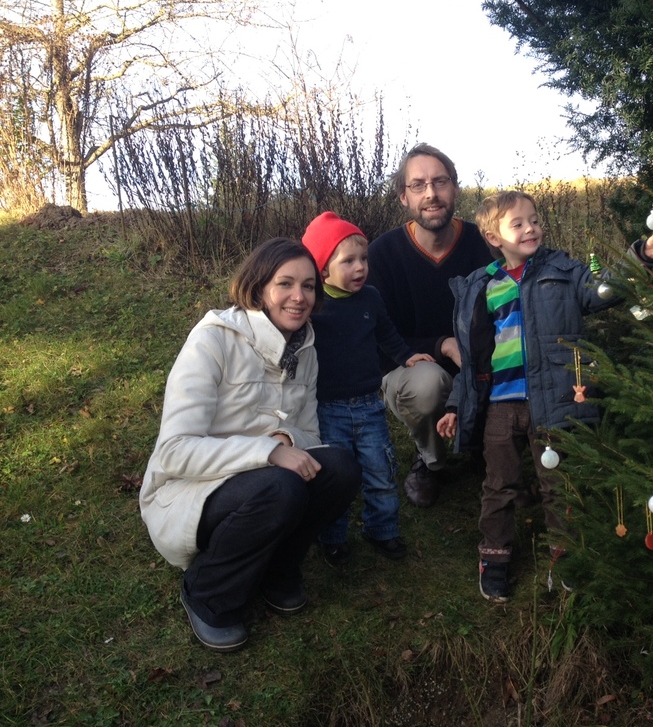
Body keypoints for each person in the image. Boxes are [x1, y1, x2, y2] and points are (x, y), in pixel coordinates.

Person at [436, 191, 653, 602]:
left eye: (535, 220)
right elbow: (473, 357)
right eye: (518, 224)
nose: (530, 228)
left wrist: (643, 256)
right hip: (500, 407)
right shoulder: (482, 287)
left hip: (558, 401)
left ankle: (566, 555)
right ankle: (494, 558)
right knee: (499, 485)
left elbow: (602, 290)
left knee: (559, 483)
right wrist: (457, 403)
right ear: (494, 236)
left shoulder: (563, 271)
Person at [139, 237, 362, 652]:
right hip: (189, 491)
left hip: (264, 486)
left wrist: (286, 440)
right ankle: (208, 595)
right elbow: (174, 450)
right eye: (285, 284)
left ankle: (277, 570)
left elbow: (309, 434)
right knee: (282, 485)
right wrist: (268, 451)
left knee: (341, 469)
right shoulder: (214, 339)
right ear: (259, 288)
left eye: (309, 286)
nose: (299, 297)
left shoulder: (306, 349)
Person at [301, 211, 434, 566]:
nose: (360, 267)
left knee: (380, 470)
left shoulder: (371, 299)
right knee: (335, 477)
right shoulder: (313, 307)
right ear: (322, 267)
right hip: (326, 409)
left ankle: (382, 528)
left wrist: (407, 356)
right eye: (348, 261)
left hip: (368, 406)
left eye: (363, 259)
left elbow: (387, 333)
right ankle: (332, 536)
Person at [368, 143, 494, 507]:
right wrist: (442, 345)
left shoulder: (484, 245)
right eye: (418, 185)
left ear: (455, 188)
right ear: (403, 196)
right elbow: (379, 337)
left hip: (481, 359)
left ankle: (490, 448)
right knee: (429, 384)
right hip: (410, 365)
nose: (431, 194)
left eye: (440, 182)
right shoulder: (382, 255)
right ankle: (431, 460)